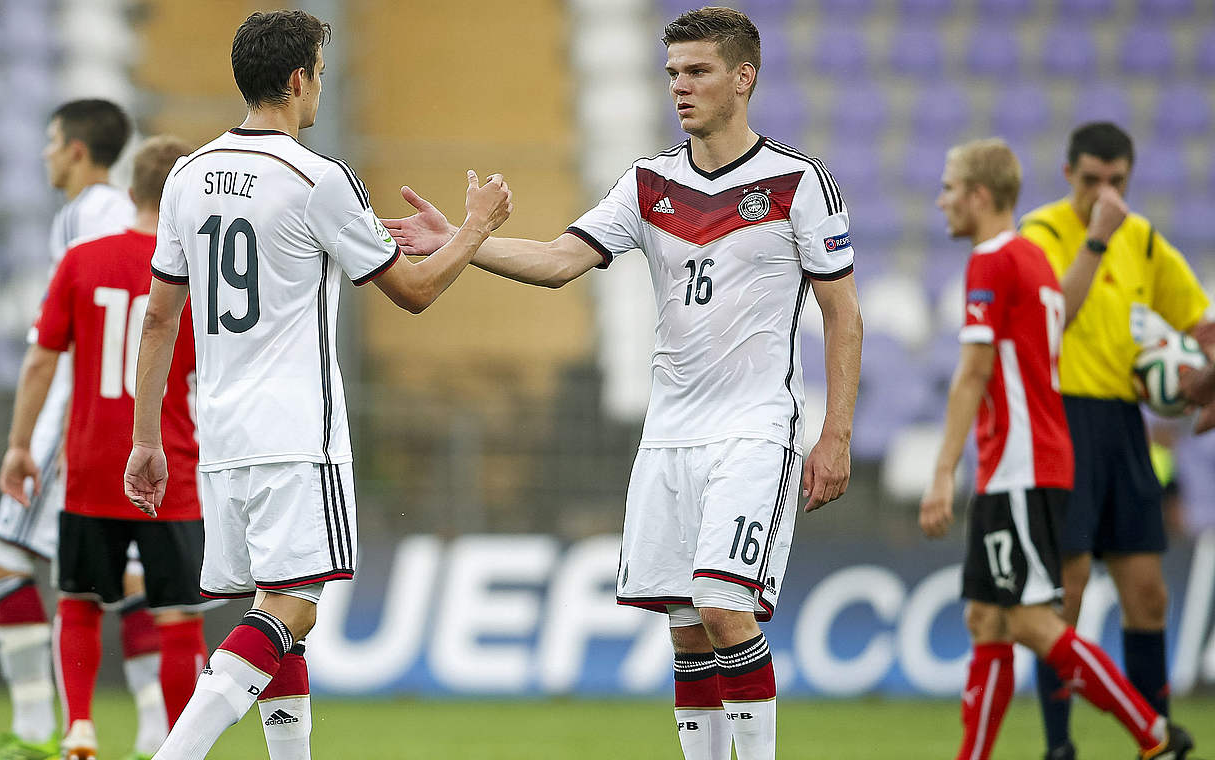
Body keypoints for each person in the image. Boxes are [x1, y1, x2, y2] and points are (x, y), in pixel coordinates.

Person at [385, 8, 860, 759]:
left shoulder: (797, 182)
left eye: (698, 71)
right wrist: (463, 240)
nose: (680, 86)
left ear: (744, 77)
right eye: (672, 72)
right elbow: (556, 259)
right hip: (669, 436)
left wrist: (834, 434)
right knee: (686, 625)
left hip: (754, 430)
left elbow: (842, 314)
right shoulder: (649, 184)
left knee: (723, 604)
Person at [122, 11, 512, 760]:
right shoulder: (318, 178)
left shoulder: (187, 175)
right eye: (322, 75)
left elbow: (159, 321)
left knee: (280, 618)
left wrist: (146, 440)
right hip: (298, 433)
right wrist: (475, 228)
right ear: (299, 79)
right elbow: (416, 292)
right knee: (292, 609)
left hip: (222, 436)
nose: (321, 90)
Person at [919, 138, 1194, 760]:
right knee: (985, 619)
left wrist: (942, 473)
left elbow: (973, 372)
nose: (941, 202)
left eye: (949, 189)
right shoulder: (1035, 261)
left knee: (1032, 623)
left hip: (1016, 465)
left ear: (980, 196)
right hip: (1038, 456)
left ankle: (1153, 736)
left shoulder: (991, 261)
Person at [0, 99, 171, 760]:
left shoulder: (87, 218)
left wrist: (24, 440)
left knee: (7, 555)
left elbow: (54, 344)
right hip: (134, 417)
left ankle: (32, 734)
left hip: (78, 416)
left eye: (52, 142)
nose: (47, 154)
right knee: (133, 577)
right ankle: (155, 733)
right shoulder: (130, 221)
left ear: (77, 151)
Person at [0, 136, 209, 760]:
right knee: (177, 616)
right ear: (179, 200)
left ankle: (80, 729)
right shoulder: (195, 276)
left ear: (133, 191)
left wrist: (18, 445)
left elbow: (41, 361)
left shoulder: (83, 260)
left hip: (91, 460)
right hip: (171, 461)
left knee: (80, 600)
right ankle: (177, 744)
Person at [1018, 122, 1213, 760]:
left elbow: (1202, 322)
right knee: (1066, 592)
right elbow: (1055, 318)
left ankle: (1154, 735)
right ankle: (1059, 744)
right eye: (1093, 180)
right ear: (1068, 173)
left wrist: (1209, 381)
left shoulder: (1145, 241)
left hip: (1123, 427)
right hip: (1059, 420)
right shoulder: (1041, 234)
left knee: (1147, 593)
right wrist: (1096, 239)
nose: (1106, 192)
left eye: (1118, 182)